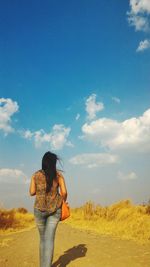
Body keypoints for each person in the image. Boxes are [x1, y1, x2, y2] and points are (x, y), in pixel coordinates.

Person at [29, 151, 68, 267]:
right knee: (49, 240)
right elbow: (64, 192)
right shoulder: (59, 175)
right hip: (55, 210)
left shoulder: (35, 175)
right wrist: (62, 201)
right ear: (54, 163)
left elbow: (31, 192)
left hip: (39, 209)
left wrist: (40, 189)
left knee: (42, 240)